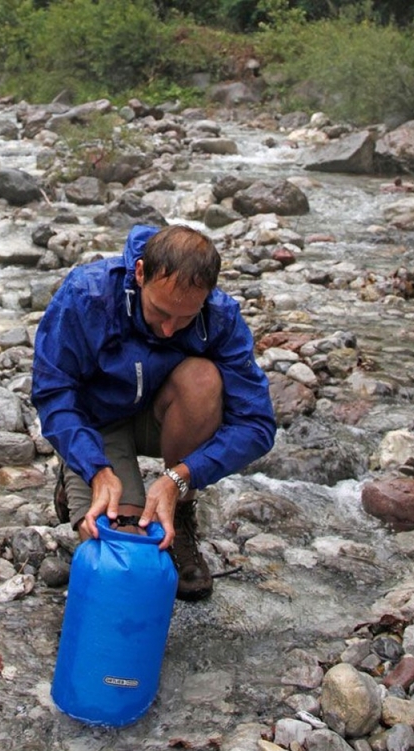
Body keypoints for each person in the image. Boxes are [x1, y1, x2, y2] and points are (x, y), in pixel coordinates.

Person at [31, 223, 276, 600]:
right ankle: (78, 473)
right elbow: (54, 392)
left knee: (203, 380)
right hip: (99, 426)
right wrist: (94, 468)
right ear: (141, 273)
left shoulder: (220, 317)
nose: (167, 329)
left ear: (207, 295)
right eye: (160, 311)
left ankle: (178, 511)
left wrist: (180, 477)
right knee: (122, 551)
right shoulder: (87, 294)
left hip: (163, 418)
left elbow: (256, 425)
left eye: (184, 319)